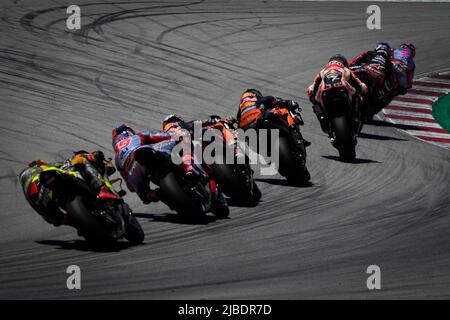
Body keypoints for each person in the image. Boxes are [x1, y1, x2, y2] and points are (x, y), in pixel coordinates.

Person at [112, 123, 202, 205]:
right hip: (144, 153)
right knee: (179, 142)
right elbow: (161, 136)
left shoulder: (116, 158)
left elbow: (130, 187)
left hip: (133, 175)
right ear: (129, 132)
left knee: (146, 197)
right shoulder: (137, 137)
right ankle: (189, 169)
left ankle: (160, 194)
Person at [19, 151, 114, 226]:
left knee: (59, 219)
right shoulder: (45, 167)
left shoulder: (30, 187)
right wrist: (94, 155)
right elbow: (86, 157)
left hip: (43, 201)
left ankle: (76, 224)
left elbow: (49, 218)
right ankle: (102, 188)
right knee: (80, 159)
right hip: (54, 180)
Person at [307, 54, 368, 133]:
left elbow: (313, 87)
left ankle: (321, 117)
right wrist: (363, 88)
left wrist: (312, 95)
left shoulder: (322, 71)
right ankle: (356, 115)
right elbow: (359, 84)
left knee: (315, 102)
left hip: (325, 91)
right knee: (356, 95)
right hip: (341, 89)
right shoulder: (346, 69)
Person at [236, 88, 310, 149]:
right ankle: (296, 136)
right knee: (285, 111)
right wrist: (291, 103)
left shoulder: (241, 108)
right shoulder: (256, 98)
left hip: (246, 128)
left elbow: (238, 121)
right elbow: (275, 100)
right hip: (259, 118)